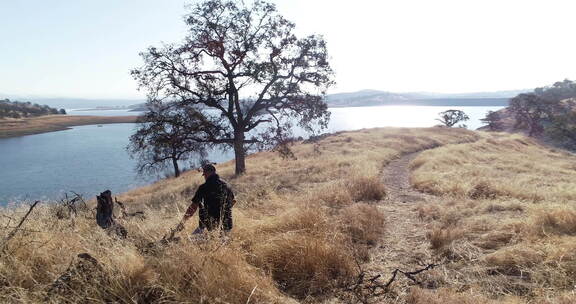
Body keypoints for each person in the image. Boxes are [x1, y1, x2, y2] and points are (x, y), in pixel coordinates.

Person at [174, 164, 235, 236]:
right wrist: (223, 211)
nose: (204, 177)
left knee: (192, 241)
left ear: (208, 173)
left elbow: (193, 207)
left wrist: (182, 222)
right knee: (223, 243)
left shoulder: (203, 188)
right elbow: (233, 201)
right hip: (227, 226)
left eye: (204, 174)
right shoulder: (226, 185)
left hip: (208, 227)